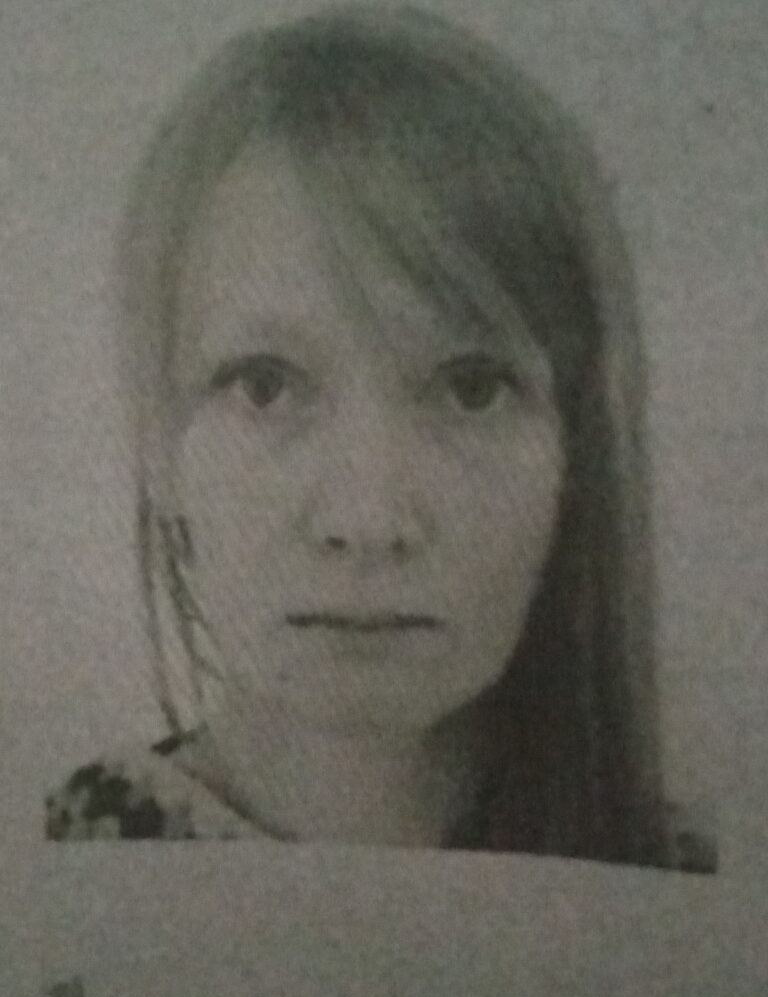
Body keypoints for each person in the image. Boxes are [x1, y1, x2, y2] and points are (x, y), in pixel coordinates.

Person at [45, 1, 716, 871]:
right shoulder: (51, 875)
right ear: (160, 446)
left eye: (471, 389)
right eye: (265, 384)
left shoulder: (683, 903)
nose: (368, 521)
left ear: (576, 459)